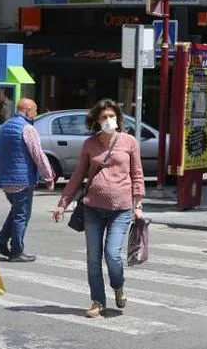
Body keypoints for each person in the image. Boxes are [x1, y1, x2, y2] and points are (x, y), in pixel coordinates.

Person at [52, 99, 145, 318]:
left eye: (112, 116)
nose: (108, 120)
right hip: (92, 208)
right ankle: (97, 301)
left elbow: (137, 173)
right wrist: (62, 203)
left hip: (120, 209)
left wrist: (138, 205)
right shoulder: (90, 144)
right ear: (96, 121)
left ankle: (118, 285)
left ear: (118, 119)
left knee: (112, 254)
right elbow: (77, 175)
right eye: (104, 117)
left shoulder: (129, 141)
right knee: (93, 258)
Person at [0, 98, 55, 263]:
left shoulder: (3, 127)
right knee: (22, 215)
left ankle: (1, 241)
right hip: (22, 180)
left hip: (6, 180)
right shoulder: (28, 128)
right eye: (35, 110)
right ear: (27, 110)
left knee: (16, 211)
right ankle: (17, 251)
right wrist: (48, 176)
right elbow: (38, 154)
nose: (36, 114)